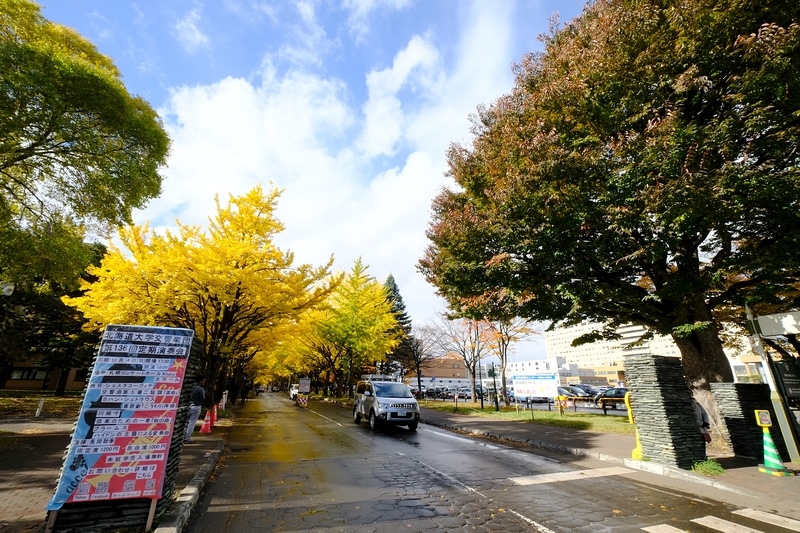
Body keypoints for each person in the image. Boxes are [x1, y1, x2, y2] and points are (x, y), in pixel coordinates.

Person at [184, 377, 206, 443]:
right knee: (191, 422)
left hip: (188, 406)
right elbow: (202, 398)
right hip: (196, 406)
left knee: (185, 422)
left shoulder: (190, 387)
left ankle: (183, 435)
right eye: (203, 380)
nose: (204, 382)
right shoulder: (200, 389)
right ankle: (186, 438)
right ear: (201, 380)